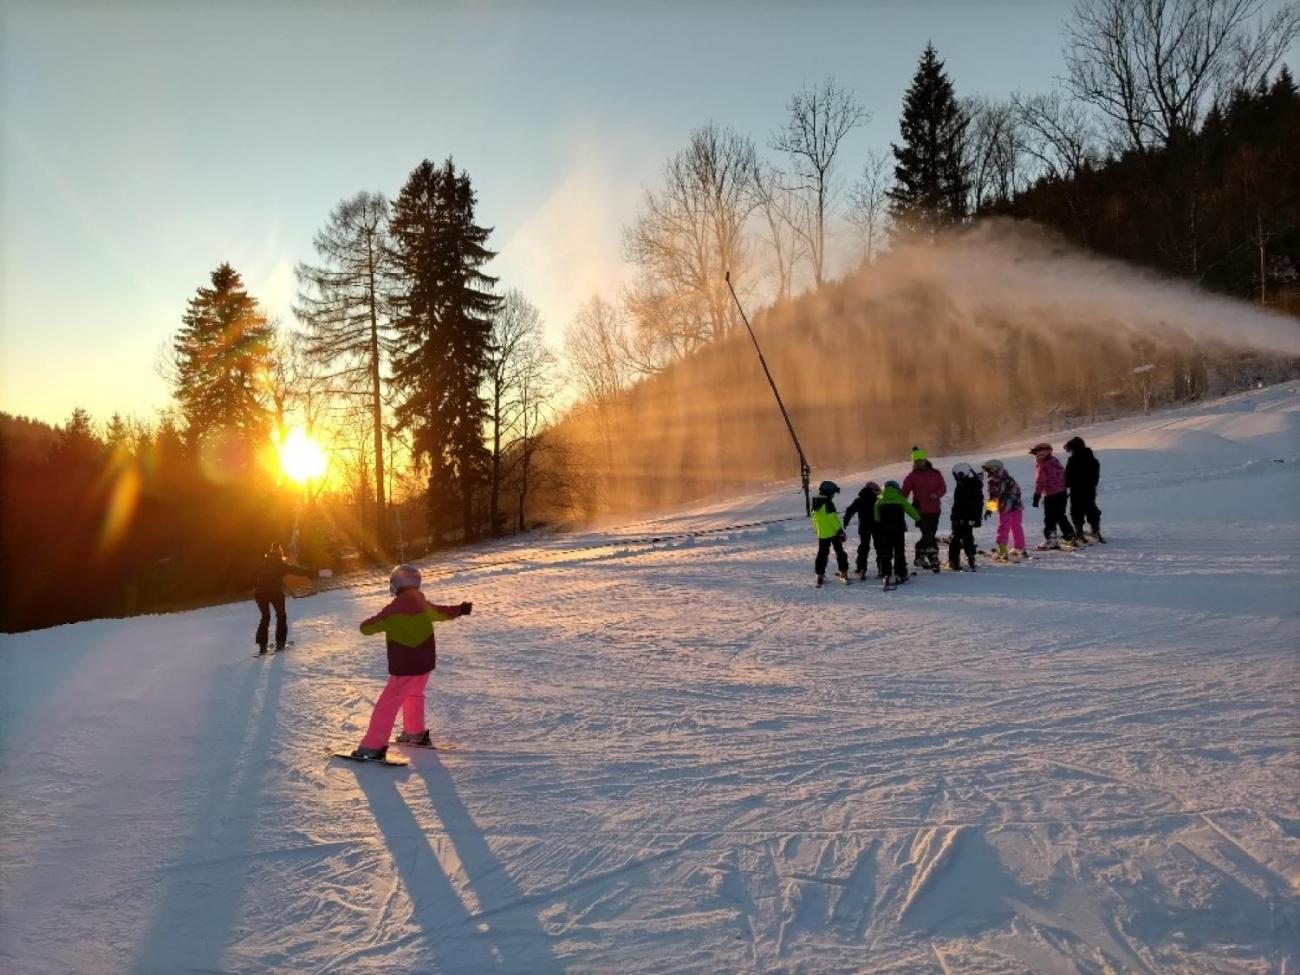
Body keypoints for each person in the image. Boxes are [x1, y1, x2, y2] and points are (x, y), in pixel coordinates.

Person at [351, 564, 472, 761]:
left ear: (396, 585)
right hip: (424, 665)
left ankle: (372, 745)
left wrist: (368, 624)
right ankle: (414, 732)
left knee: (387, 705)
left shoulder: (393, 610)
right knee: (414, 694)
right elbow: (443, 612)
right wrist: (460, 609)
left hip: (404, 667)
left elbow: (367, 628)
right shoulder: (424, 606)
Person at [250, 542, 315, 654]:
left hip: (260, 593)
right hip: (275, 593)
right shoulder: (280, 565)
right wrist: (313, 572)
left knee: (265, 617)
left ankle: (262, 646)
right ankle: (280, 643)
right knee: (281, 616)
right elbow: (297, 570)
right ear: (280, 553)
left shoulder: (263, 563)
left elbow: (252, 575)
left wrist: (257, 584)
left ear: (270, 552)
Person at [901, 446, 947, 572]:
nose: (918, 464)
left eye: (920, 461)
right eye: (916, 462)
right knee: (928, 534)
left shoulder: (935, 474)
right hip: (920, 510)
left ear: (925, 460)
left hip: (935, 509)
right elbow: (904, 493)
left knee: (930, 534)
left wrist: (936, 494)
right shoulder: (912, 477)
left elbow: (943, 487)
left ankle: (921, 555)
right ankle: (933, 557)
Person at [873, 479, 921, 589]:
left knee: (886, 552)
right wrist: (918, 518)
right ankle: (901, 573)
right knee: (899, 552)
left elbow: (876, 517)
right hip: (898, 530)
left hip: (884, 531)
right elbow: (912, 511)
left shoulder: (879, 501)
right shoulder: (901, 499)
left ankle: (886, 574)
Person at [1029, 443, 1077, 549]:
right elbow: (1064, 476)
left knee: (1050, 517)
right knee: (1060, 515)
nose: (1036, 457)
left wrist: (1037, 496)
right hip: (1062, 493)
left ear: (1043, 453)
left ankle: (1051, 540)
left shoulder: (1043, 465)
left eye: (1037, 454)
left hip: (1052, 495)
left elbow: (1040, 482)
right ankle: (1070, 535)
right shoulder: (1055, 461)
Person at [981, 459, 1026, 561]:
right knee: (1016, 526)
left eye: (988, 470)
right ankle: (1020, 547)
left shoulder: (993, 480)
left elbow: (993, 496)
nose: (987, 472)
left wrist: (989, 510)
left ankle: (1002, 551)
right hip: (1017, 506)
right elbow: (1017, 490)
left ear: (994, 469)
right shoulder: (1009, 477)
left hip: (1006, 508)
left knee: (1004, 528)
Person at [810, 480, 851, 587]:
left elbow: (814, 519)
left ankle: (820, 574)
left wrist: (817, 530)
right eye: (833, 493)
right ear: (828, 492)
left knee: (822, 554)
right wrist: (840, 531)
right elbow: (832, 518)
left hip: (822, 533)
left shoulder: (815, 503)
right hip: (833, 532)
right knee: (840, 552)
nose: (833, 496)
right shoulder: (827, 503)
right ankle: (844, 571)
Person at [1064, 435, 1104, 542]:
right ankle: (1095, 529)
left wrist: (1065, 486)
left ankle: (1079, 532)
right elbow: (1096, 475)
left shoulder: (1073, 460)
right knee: (1091, 507)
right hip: (1090, 489)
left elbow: (1068, 476)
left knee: (1077, 510)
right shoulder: (1093, 459)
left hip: (1076, 490)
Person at [947, 463, 984, 571]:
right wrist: (977, 518)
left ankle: (954, 561)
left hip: (960, 518)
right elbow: (979, 504)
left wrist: (954, 516)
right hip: (971, 518)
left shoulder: (962, 487)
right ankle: (971, 557)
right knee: (968, 537)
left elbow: (959, 504)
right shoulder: (975, 486)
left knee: (956, 539)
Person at [842, 480, 881, 580]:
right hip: (877, 526)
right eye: (876, 490)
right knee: (879, 547)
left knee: (864, 547)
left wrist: (846, 521)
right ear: (872, 490)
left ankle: (861, 568)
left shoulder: (859, 500)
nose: (877, 492)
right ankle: (882, 568)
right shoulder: (878, 500)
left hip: (864, 527)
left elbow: (850, 510)